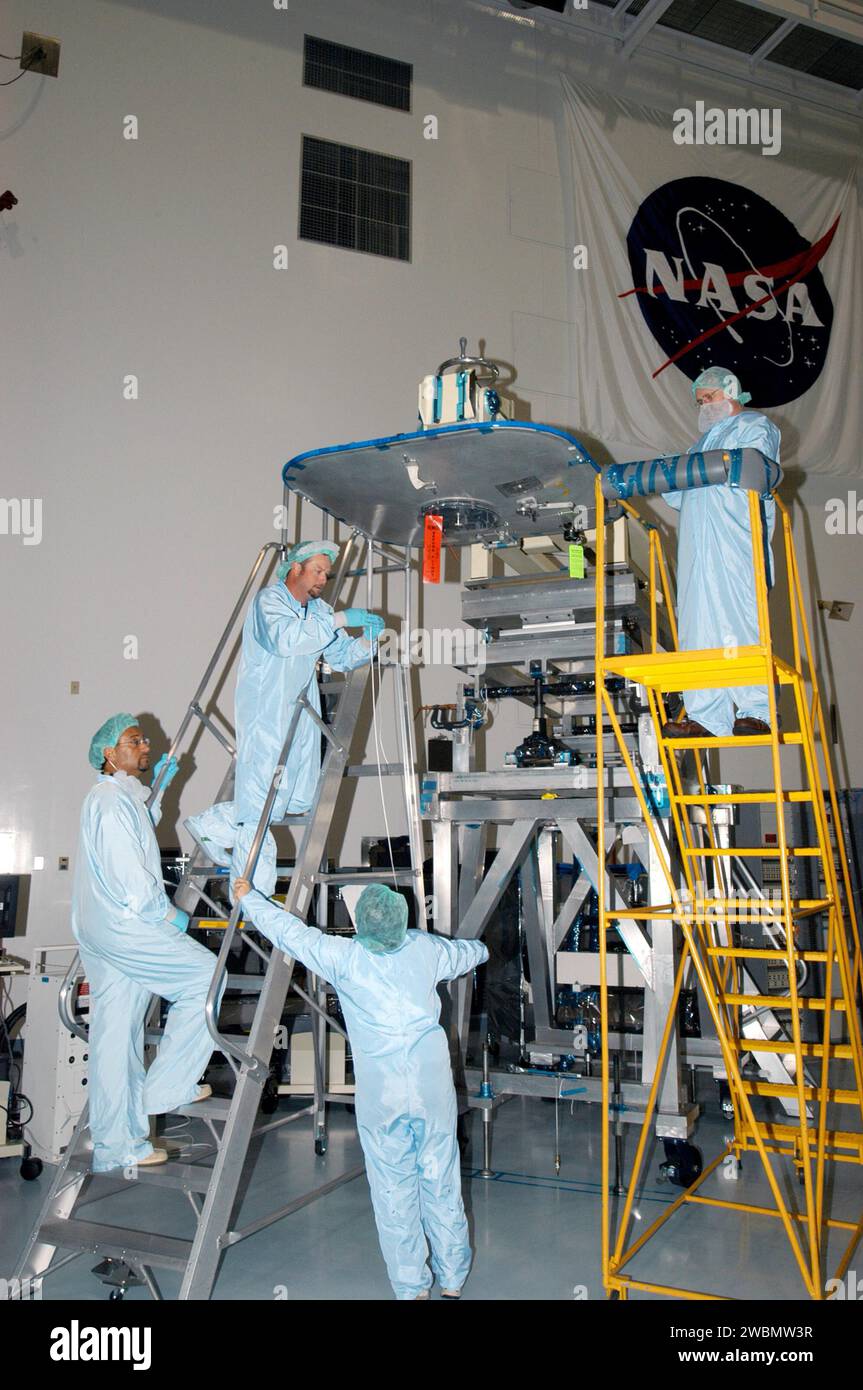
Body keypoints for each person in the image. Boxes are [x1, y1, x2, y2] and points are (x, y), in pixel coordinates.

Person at [233, 877, 488, 1300]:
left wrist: (248, 899)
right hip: (431, 1090)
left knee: (393, 1189)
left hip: (382, 1098)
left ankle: (411, 1288)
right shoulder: (426, 950)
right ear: (402, 918)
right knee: (441, 1179)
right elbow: (469, 953)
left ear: (361, 925)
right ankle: (454, 1278)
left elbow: (290, 934)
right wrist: (483, 947)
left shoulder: (344, 958)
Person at [185, 542, 383, 897]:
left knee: (300, 800)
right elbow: (285, 640)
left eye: (326, 572)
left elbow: (340, 656)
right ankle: (253, 899)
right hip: (266, 716)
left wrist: (369, 641)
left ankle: (211, 824)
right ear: (295, 569)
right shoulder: (268, 602)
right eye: (317, 570)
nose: (324, 578)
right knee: (259, 806)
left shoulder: (319, 610)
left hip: (302, 716)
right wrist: (340, 619)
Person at [71, 713, 221, 1171]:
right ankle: (168, 1087)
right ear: (108, 754)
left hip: (104, 929)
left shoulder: (117, 800)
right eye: (133, 740)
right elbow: (131, 876)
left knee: (116, 1037)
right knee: (206, 978)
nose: (145, 745)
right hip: (127, 925)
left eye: (144, 739)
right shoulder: (111, 802)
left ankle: (120, 1145)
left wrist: (162, 787)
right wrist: (167, 915)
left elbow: (140, 822)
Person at [660, 367, 781, 739]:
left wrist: (702, 468)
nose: (704, 406)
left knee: (739, 621)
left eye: (709, 398)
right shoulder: (699, 445)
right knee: (697, 628)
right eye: (699, 402)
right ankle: (705, 717)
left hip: (735, 541)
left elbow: (753, 467)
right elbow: (677, 493)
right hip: (699, 550)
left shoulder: (754, 425)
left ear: (730, 392)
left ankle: (755, 710)